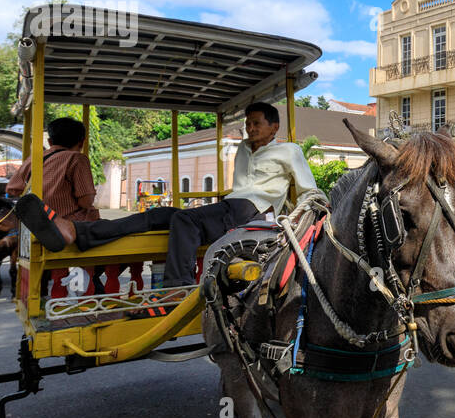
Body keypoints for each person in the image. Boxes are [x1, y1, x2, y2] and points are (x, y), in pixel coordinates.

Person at [16, 102, 317, 288]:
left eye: (257, 123)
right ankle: (76, 230)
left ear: (274, 126)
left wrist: (305, 216)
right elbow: (236, 188)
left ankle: (178, 286)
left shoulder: (288, 150)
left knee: (185, 219)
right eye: (248, 123)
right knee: (158, 214)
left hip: (255, 211)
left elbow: (308, 189)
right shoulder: (241, 151)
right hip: (232, 207)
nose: (250, 128)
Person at [6, 116, 101, 295]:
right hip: (72, 227)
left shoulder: (34, 159)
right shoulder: (77, 159)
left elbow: (12, 188)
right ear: (81, 142)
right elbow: (85, 201)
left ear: (50, 141)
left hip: (39, 226)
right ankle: (87, 289)